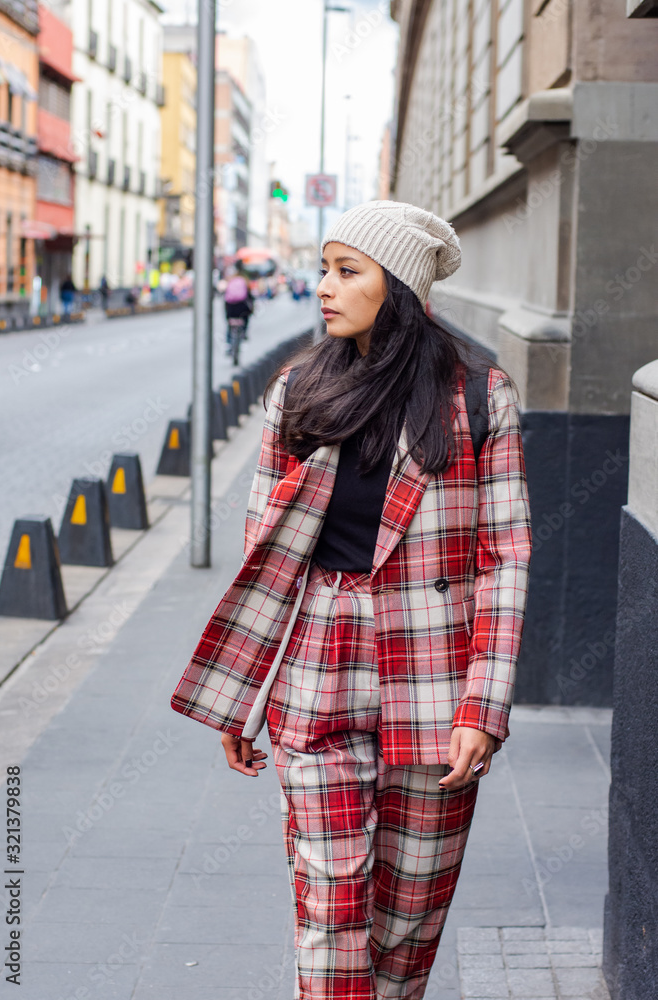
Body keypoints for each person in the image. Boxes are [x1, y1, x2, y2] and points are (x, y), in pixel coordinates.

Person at [171, 200, 533, 1000]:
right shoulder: (300, 390)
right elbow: (263, 558)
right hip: (316, 667)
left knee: (406, 924)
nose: (324, 286)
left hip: (435, 676)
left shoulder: (478, 396)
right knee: (331, 908)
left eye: (346, 270)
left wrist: (483, 706)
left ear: (396, 285)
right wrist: (241, 697)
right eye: (325, 267)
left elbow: (504, 557)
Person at [224, 264, 254, 347]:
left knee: (229, 323)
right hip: (241, 307)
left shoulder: (231, 279)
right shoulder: (244, 279)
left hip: (230, 307)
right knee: (246, 317)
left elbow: (225, 294)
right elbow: (249, 295)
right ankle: (244, 333)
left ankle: (228, 341)